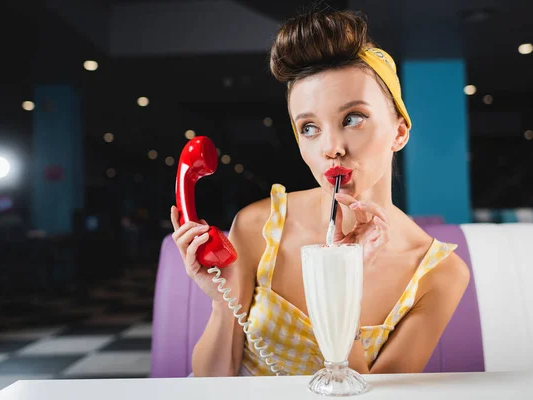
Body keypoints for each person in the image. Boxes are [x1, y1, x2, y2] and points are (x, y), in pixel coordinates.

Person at [170, 9, 469, 377]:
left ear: (399, 131)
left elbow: (374, 395)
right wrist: (221, 303)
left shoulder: (439, 274)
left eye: (352, 118)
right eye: (309, 127)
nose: (331, 147)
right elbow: (211, 384)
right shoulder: (257, 226)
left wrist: (347, 288)